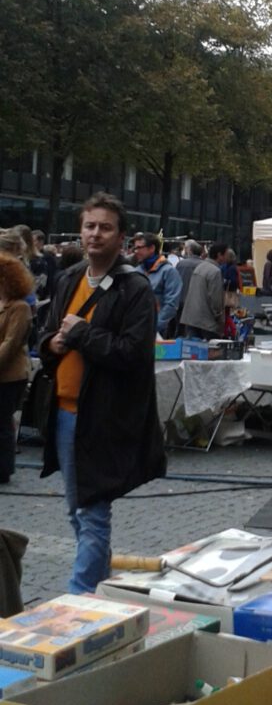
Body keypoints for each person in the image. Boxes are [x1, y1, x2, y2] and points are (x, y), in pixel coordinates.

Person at [39, 193, 166, 593]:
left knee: (92, 512)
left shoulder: (135, 288)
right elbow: (47, 332)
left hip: (102, 416)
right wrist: (51, 345)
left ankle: (79, 600)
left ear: (121, 236)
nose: (95, 234)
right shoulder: (70, 277)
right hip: (62, 411)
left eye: (105, 227)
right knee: (78, 512)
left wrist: (82, 333)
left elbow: (133, 353)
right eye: (89, 226)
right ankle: (100, 588)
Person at [0, 253, 34, 484]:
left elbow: (10, 344)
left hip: (10, 375)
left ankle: (3, 469)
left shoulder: (20, 308)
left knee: (2, 422)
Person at [132, 232, 183, 338]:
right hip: (134, 329)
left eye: (139, 248)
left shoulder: (169, 272)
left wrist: (155, 326)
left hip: (158, 332)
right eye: (135, 248)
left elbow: (171, 304)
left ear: (151, 248)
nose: (135, 251)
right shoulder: (136, 271)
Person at [179, 241, 227, 340]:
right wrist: (219, 318)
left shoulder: (200, 266)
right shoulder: (215, 271)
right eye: (225, 255)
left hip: (191, 317)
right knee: (210, 351)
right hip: (206, 320)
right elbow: (216, 299)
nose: (226, 258)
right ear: (219, 255)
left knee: (193, 351)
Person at [176, 240, 204, 314]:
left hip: (181, 299)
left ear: (189, 251)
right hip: (197, 302)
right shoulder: (204, 265)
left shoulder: (180, 264)